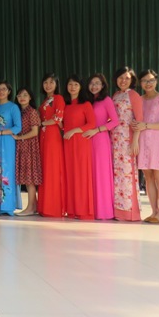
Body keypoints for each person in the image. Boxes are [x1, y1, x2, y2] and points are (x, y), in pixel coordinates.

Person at [133, 69, 159, 224]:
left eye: (151, 80)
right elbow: (134, 120)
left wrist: (146, 125)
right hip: (142, 142)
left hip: (158, 143)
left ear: (156, 81)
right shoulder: (138, 99)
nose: (148, 83)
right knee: (148, 177)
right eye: (144, 81)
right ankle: (154, 211)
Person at [84, 73, 119, 221]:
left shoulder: (106, 100)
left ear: (103, 85)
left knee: (101, 174)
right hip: (86, 141)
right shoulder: (87, 101)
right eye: (92, 83)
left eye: (97, 83)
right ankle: (90, 209)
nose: (94, 86)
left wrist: (97, 130)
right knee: (89, 174)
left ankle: (103, 211)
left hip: (100, 140)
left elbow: (115, 121)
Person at [110, 67, 143, 221]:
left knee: (127, 174)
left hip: (127, 139)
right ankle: (117, 210)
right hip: (114, 140)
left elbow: (139, 120)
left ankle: (130, 212)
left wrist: (135, 141)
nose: (123, 81)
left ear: (132, 80)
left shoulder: (134, 95)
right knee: (117, 175)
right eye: (120, 77)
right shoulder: (116, 95)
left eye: (127, 78)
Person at [62, 75, 97, 220]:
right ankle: (71, 210)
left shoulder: (86, 104)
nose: (72, 87)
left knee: (81, 175)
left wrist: (74, 131)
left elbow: (92, 124)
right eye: (70, 84)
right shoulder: (65, 105)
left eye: (76, 84)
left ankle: (83, 210)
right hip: (67, 143)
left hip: (81, 142)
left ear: (81, 87)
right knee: (70, 175)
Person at [0, 80, 22, 216]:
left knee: (6, 171)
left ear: (9, 91)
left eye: (4, 89)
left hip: (7, 141)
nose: (1, 92)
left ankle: (7, 206)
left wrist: (1, 132)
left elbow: (18, 127)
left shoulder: (13, 107)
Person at [38, 73, 66, 218]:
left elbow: (58, 118)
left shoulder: (58, 98)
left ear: (56, 84)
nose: (48, 85)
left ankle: (53, 208)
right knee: (45, 170)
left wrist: (42, 123)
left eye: (51, 82)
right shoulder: (45, 100)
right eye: (45, 82)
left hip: (52, 136)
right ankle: (44, 206)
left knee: (52, 170)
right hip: (43, 136)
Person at [13, 86, 42, 217]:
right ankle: (33, 206)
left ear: (30, 97)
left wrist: (19, 138)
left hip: (29, 147)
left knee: (30, 179)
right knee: (26, 178)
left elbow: (35, 132)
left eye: (25, 95)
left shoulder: (32, 112)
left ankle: (30, 208)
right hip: (22, 147)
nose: (22, 97)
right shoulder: (19, 112)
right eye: (19, 95)